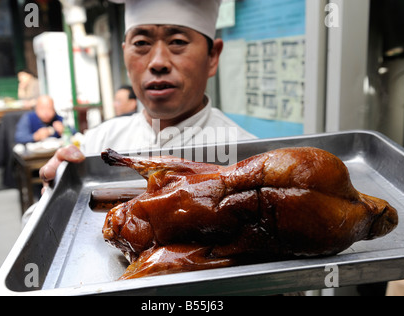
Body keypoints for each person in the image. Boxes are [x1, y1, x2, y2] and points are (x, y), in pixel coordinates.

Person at [39, 0, 256, 195]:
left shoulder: (248, 157)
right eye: (141, 43)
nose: (158, 62)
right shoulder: (96, 146)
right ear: (124, 54)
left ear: (212, 57)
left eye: (178, 41)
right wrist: (55, 193)